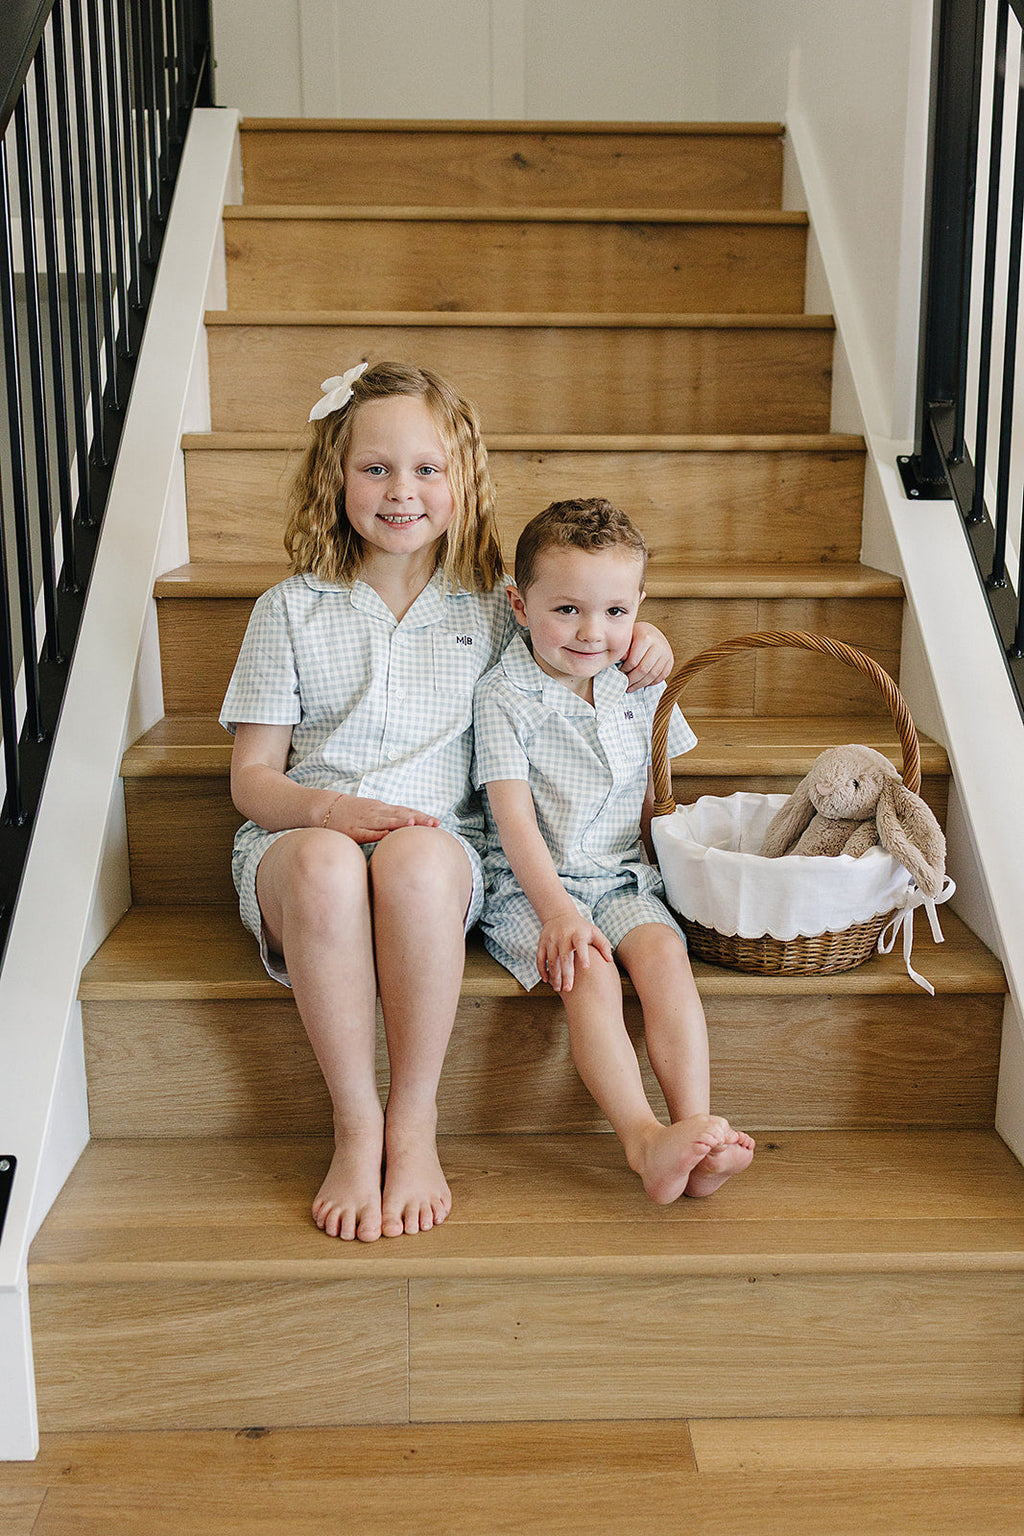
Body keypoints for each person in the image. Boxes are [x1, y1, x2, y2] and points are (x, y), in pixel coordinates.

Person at [220, 364, 674, 1242]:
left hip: (439, 848)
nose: (402, 492)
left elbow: (580, 633)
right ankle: (356, 1124)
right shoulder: (291, 609)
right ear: (335, 478)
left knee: (419, 860)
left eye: (427, 469)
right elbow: (252, 780)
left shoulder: (496, 608)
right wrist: (325, 812)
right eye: (375, 469)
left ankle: (413, 1120)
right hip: (299, 842)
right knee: (323, 866)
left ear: (461, 479)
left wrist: (639, 637)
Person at [474, 498, 755, 1203]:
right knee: (591, 973)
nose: (592, 633)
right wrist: (560, 912)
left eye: (615, 613)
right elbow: (511, 821)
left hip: (625, 878)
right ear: (519, 603)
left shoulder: (638, 680)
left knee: (664, 957)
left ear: (637, 609)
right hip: (536, 885)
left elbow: (659, 786)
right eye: (566, 609)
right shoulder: (505, 695)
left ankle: (697, 1130)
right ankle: (642, 1140)